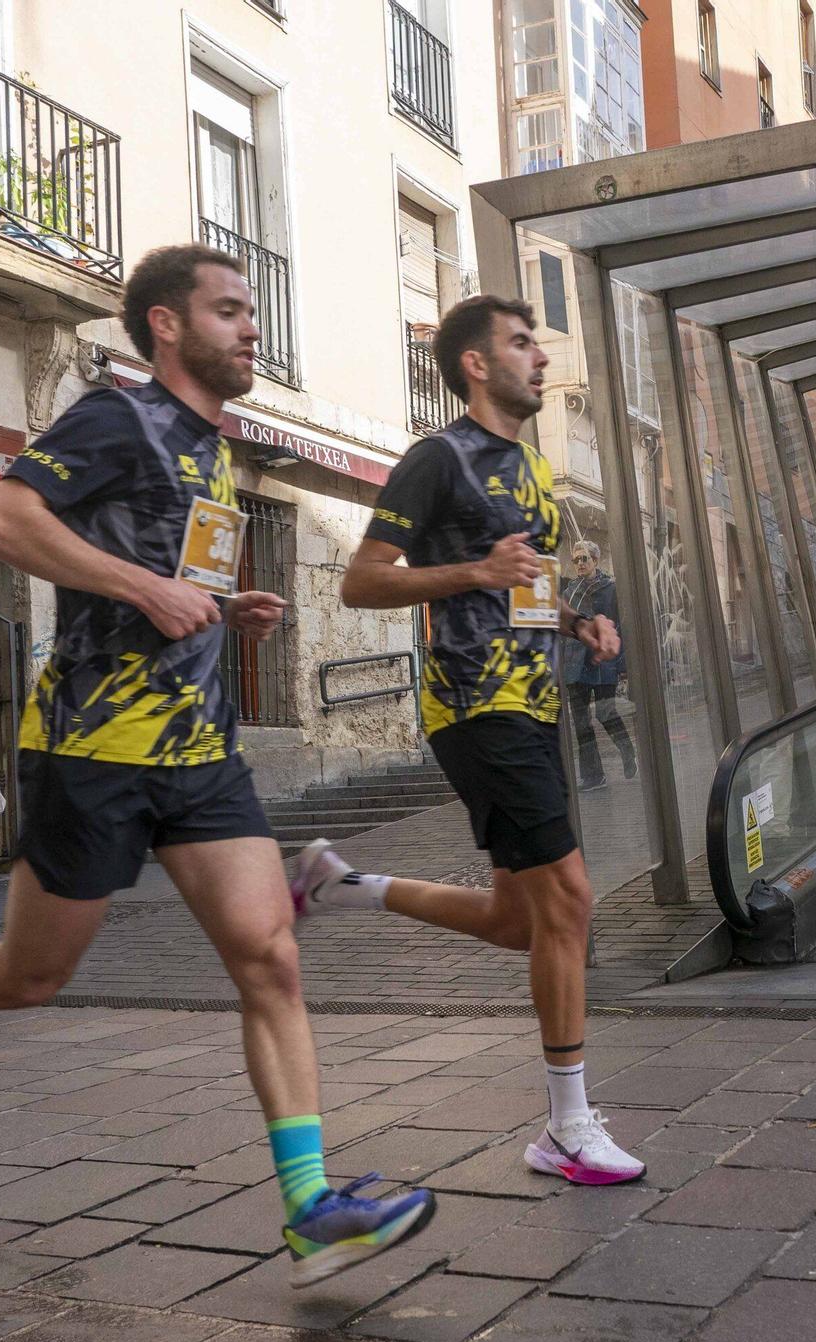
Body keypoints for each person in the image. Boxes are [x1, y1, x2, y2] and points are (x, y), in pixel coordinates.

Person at [0, 244, 435, 1288]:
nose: (251, 327)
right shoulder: (117, 417)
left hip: (200, 752)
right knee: (29, 974)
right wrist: (146, 591)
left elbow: (157, 570)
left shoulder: (211, 447)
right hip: (92, 748)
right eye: (228, 310)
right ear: (166, 325)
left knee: (269, 956)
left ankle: (310, 1206)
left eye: (249, 310)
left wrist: (217, 606)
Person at [295, 295, 645, 1186]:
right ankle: (566, 1127)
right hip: (476, 707)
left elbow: (522, 589)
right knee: (570, 900)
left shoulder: (530, 469)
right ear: (477, 364)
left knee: (518, 921)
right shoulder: (436, 459)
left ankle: (348, 885)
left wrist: (576, 623)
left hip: (535, 706)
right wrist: (474, 569)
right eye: (522, 343)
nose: (541, 357)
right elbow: (362, 582)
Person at [561, 539, 635, 791]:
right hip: (575, 665)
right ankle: (593, 776)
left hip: (602, 661)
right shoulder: (569, 592)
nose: (580, 564)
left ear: (595, 560)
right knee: (581, 723)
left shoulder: (610, 589)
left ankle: (627, 750)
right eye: (576, 560)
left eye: (584, 559)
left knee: (606, 713)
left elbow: (621, 627)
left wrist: (622, 663)